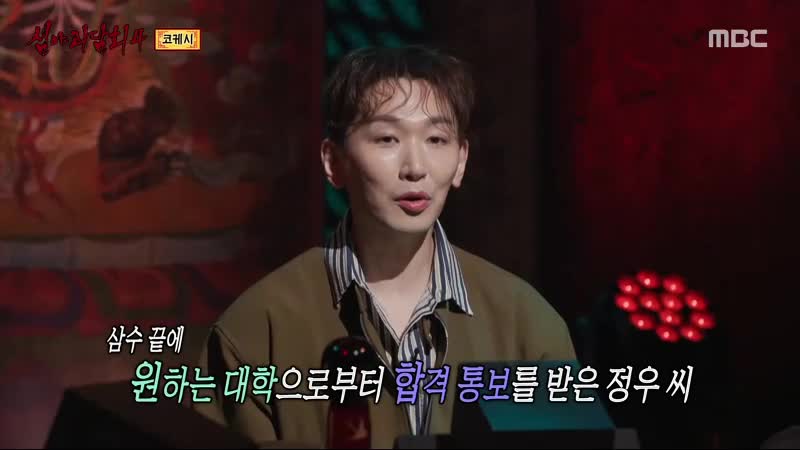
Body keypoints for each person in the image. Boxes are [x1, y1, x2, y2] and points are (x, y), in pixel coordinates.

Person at [192, 45, 576, 448]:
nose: (415, 167)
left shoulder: (525, 323)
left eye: (436, 139)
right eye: (387, 138)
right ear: (333, 161)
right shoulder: (259, 327)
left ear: (461, 160)